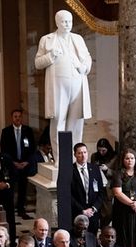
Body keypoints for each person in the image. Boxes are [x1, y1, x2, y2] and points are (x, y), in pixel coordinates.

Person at [34, 10, 92, 163]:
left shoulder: (78, 39)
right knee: (58, 121)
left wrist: (83, 67)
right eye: (64, 21)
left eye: (70, 21)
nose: (67, 25)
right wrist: (51, 55)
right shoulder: (47, 40)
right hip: (58, 87)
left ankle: (75, 159)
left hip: (78, 85)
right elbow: (38, 63)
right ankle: (61, 159)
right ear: (57, 22)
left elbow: (87, 58)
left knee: (76, 123)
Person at [0, 108, 35, 218]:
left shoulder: (28, 130)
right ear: (12, 118)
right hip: (12, 165)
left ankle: (21, 210)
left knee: (23, 189)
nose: (17, 118)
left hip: (24, 165)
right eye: (15, 116)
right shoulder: (6, 131)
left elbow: (32, 148)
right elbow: (4, 150)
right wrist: (13, 162)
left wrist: (26, 162)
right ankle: (10, 210)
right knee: (11, 188)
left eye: (19, 116)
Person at [71, 143, 105, 234]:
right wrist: (82, 210)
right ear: (75, 154)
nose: (83, 155)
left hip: (93, 213)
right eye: (80, 153)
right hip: (77, 212)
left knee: (92, 240)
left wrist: (93, 209)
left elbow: (101, 192)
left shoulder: (95, 169)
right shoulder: (70, 170)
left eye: (85, 152)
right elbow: (69, 195)